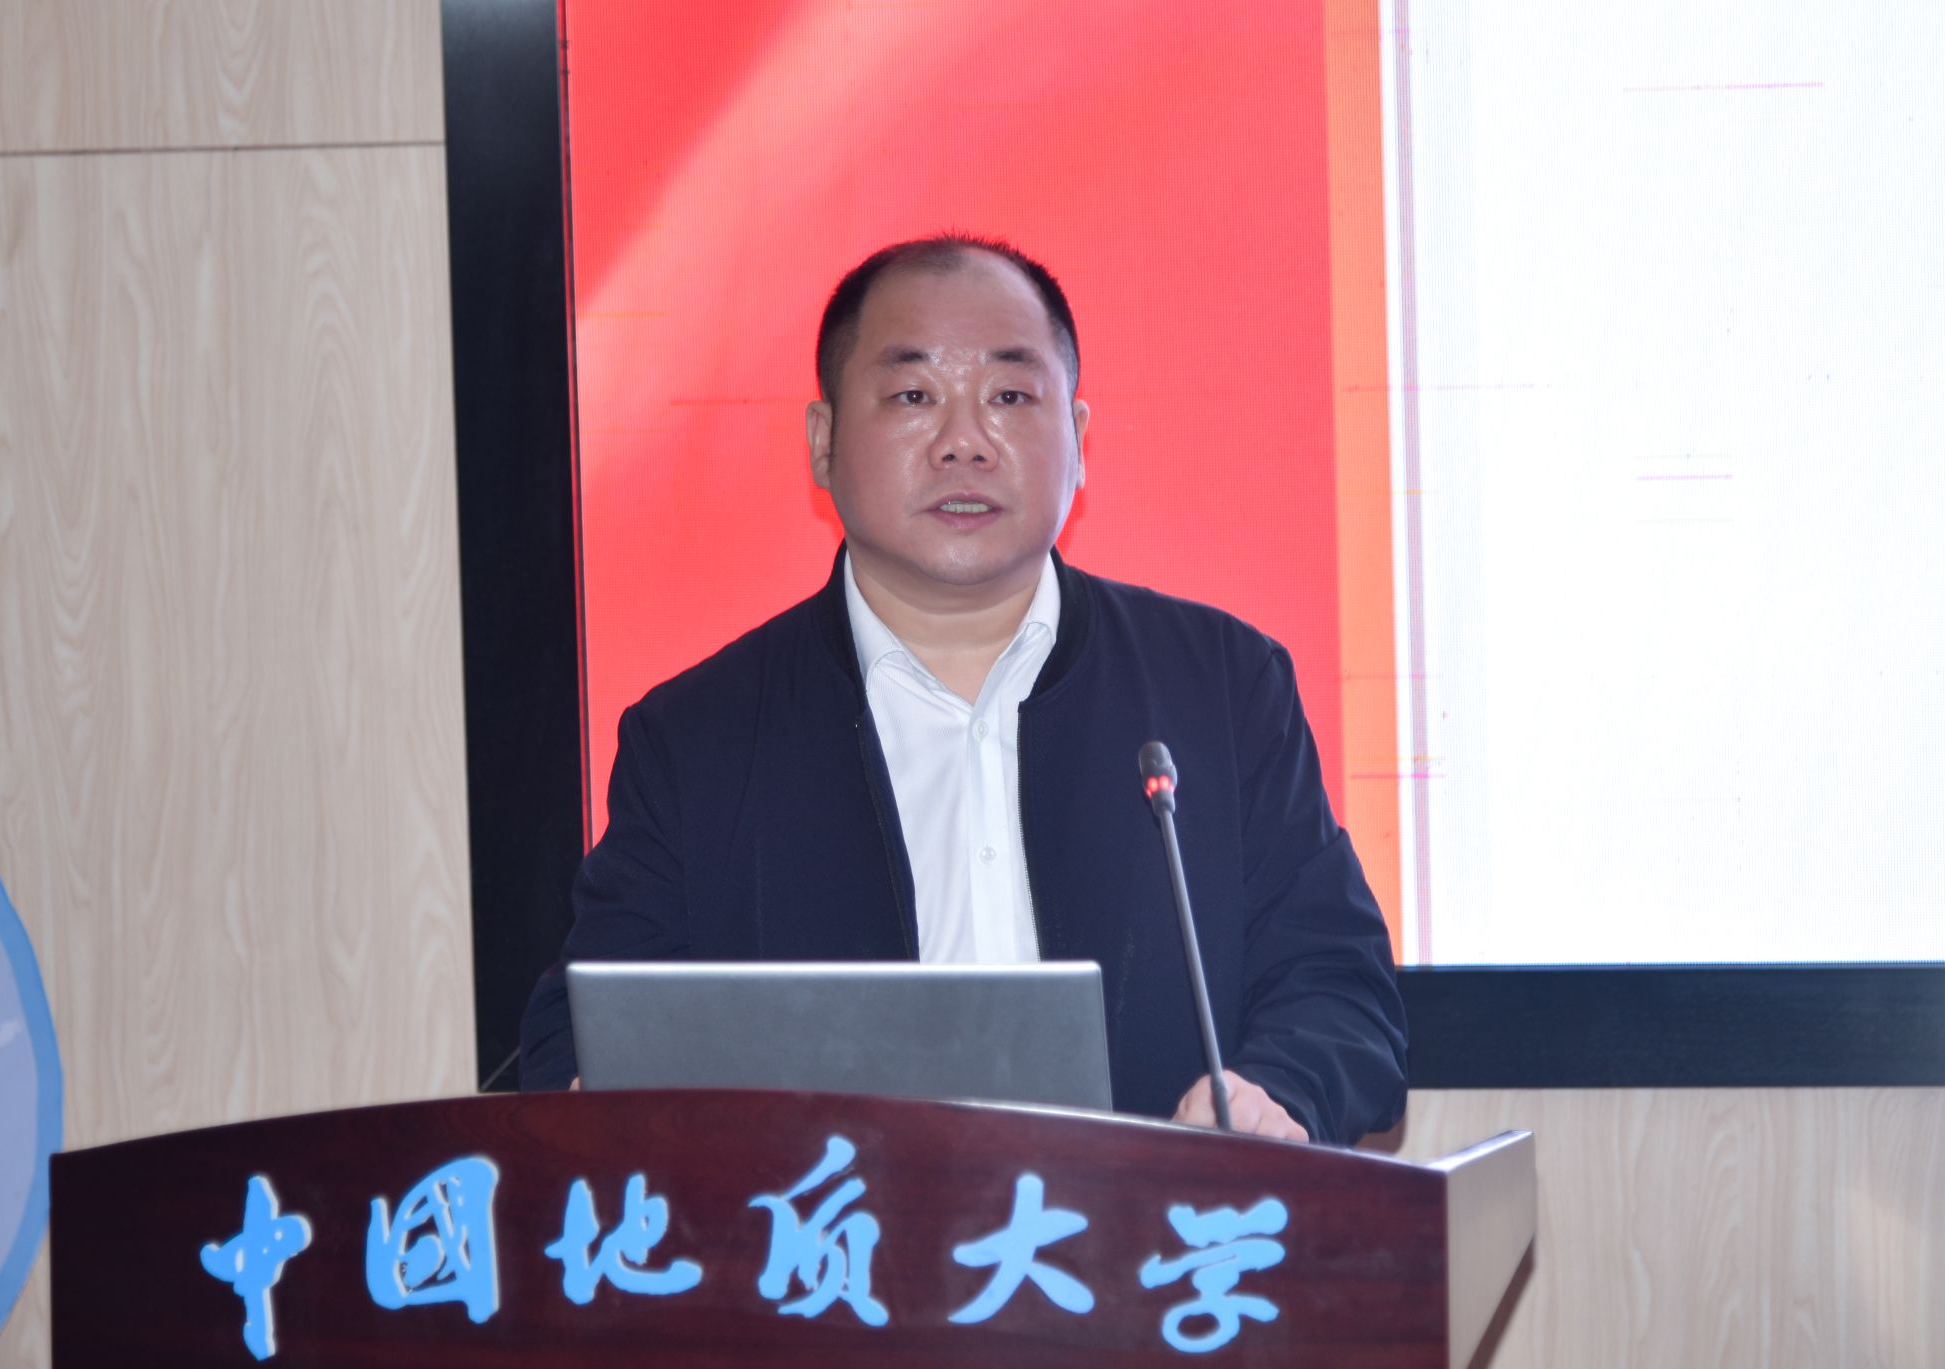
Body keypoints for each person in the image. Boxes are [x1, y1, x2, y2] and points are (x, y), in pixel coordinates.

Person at [520, 235, 1407, 1145]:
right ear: (823, 442)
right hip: (832, 1231)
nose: (964, 443)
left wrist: (1272, 1094)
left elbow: (1339, 991)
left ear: (1079, 440)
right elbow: (576, 1036)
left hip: (1152, 1225)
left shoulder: (1220, 685)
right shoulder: (697, 738)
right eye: (914, 396)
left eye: (1010, 397)